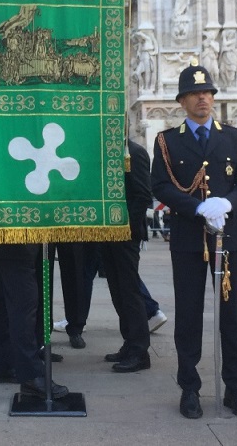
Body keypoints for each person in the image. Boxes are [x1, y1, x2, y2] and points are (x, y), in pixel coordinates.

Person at [152, 64, 237, 420]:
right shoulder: (167, 140)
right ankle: (189, 388)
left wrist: (227, 203)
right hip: (188, 239)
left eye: (207, 92)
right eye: (195, 93)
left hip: (227, 238)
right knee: (188, 315)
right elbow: (160, 185)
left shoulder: (234, 138)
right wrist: (197, 207)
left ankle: (236, 388)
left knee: (232, 315)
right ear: (182, 101)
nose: (203, 98)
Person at [0, 240, 69, 400]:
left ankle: (1, 366)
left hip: (3, 240)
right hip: (15, 239)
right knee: (23, 303)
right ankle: (31, 375)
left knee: (2, 302)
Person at [100, 139, 153, 373]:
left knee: (130, 291)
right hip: (107, 233)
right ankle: (129, 342)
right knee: (117, 290)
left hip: (126, 234)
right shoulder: (105, 151)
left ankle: (140, 351)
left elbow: (143, 195)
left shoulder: (134, 152)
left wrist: (125, 227)